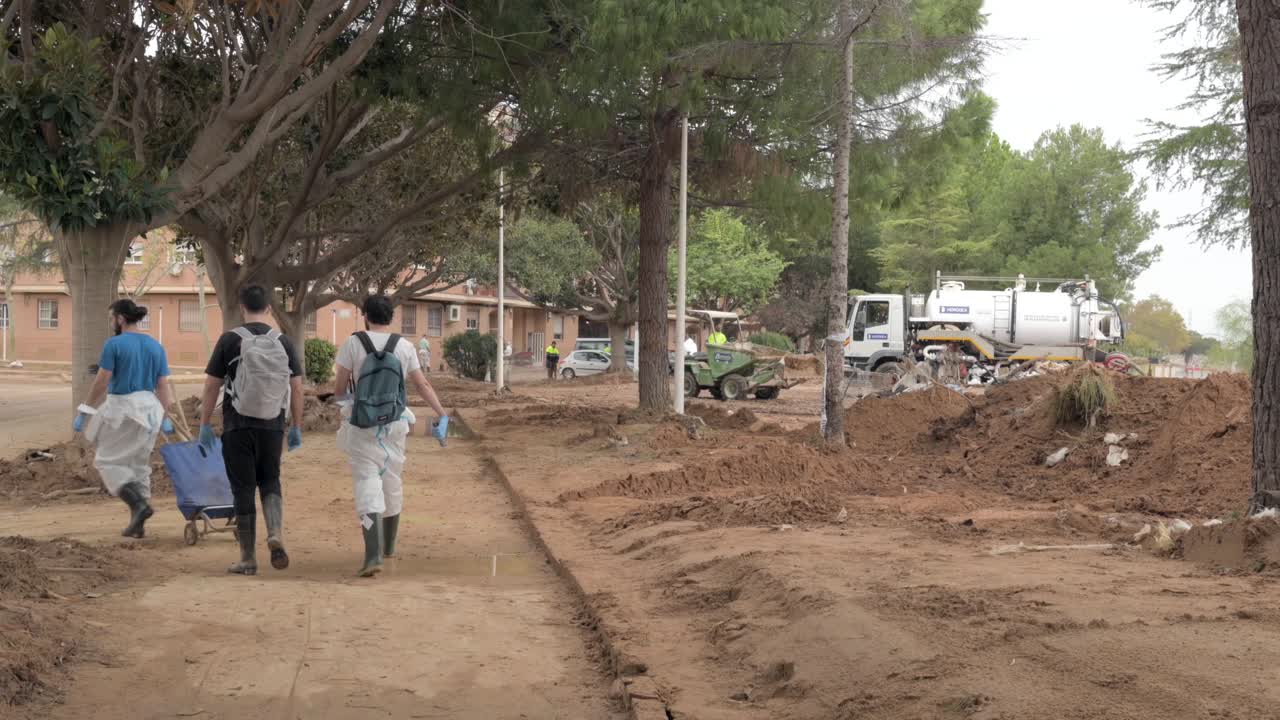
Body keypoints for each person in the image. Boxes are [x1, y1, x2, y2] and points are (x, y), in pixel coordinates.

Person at [334, 295, 449, 577]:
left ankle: (372, 554)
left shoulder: (353, 343)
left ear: (365, 316)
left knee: (367, 483)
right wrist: (441, 414)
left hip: (362, 426)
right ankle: (389, 547)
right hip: (396, 425)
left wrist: (349, 405)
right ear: (391, 318)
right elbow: (421, 384)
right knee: (392, 481)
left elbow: (339, 388)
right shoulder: (404, 346)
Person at [199, 285, 305, 576]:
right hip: (272, 426)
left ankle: (248, 558)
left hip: (237, 426)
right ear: (269, 309)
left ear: (242, 308)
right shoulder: (284, 342)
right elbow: (296, 388)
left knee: (243, 488)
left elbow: (211, 385)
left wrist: (205, 424)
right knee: (270, 480)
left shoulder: (230, 340)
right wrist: (296, 426)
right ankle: (275, 533)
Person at [74, 299, 176, 538]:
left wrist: (85, 410)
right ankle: (138, 523)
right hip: (150, 410)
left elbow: (102, 380)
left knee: (107, 462)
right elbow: (162, 386)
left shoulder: (114, 344)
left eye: (112, 318)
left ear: (120, 318)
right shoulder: (155, 345)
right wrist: (165, 417)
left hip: (123, 409)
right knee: (139, 465)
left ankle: (139, 506)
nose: (112, 322)